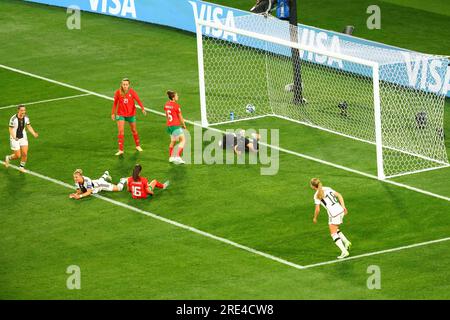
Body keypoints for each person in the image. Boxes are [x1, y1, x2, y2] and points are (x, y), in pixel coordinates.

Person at [310, 178, 352, 259]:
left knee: (333, 234)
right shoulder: (327, 188)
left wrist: (315, 218)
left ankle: (344, 251)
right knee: (335, 228)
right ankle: (346, 242)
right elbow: (339, 195)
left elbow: (317, 209)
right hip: (340, 210)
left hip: (334, 214)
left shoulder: (316, 195)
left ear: (312, 186)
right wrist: (343, 207)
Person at [111, 78, 147, 156]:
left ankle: (138, 146)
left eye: (126, 84)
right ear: (121, 84)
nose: (125, 86)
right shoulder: (118, 92)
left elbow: (138, 100)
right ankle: (121, 150)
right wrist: (113, 113)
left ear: (129, 85)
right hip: (121, 114)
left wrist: (143, 108)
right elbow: (115, 103)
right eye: (123, 84)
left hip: (131, 114)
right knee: (121, 131)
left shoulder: (132, 92)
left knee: (134, 130)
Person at [4, 105, 39, 173]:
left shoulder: (26, 117)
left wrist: (34, 133)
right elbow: (10, 129)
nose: (23, 112)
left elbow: (28, 126)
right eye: (22, 110)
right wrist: (14, 137)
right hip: (14, 138)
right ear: (18, 110)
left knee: (25, 153)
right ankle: (8, 157)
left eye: (24, 110)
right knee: (17, 155)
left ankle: (21, 167)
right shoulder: (13, 119)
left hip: (23, 137)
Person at [164, 90, 187, 164]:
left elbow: (167, 115)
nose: (178, 96)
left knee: (173, 141)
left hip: (169, 126)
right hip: (175, 126)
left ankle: (171, 157)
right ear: (173, 98)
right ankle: (177, 156)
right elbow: (180, 117)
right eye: (176, 96)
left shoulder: (166, 104)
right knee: (183, 140)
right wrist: (183, 125)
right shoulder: (176, 106)